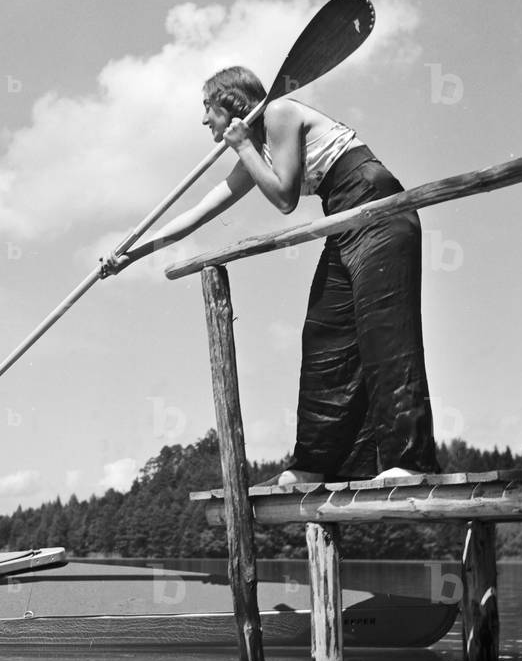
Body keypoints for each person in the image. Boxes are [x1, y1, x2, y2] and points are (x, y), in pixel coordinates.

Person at [101, 65, 439, 484]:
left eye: (207, 107)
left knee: (384, 335)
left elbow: (284, 198)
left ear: (230, 104)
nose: (204, 119)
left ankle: (410, 461)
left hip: (380, 210)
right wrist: (133, 254)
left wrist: (243, 147)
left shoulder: (278, 113)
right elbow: (200, 211)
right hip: (343, 220)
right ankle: (316, 464)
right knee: (324, 339)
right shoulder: (256, 149)